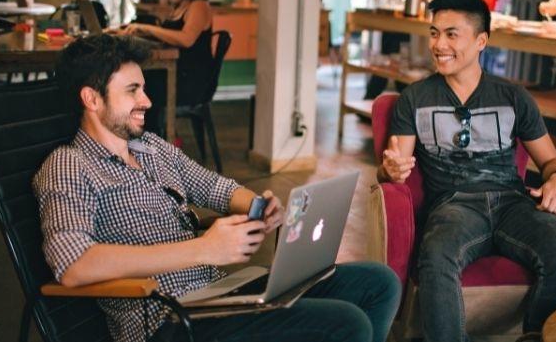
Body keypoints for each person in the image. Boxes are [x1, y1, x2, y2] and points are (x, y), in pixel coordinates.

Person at [33, 34, 401, 342]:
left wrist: (257, 205)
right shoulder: (69, 165)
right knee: (347, 324)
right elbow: (74, 265)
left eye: (143, 88)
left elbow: (215, 187)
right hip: (169, 321)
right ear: (92, 99)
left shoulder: (152, 148)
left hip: (217, 296)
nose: (147, 101)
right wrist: (203, 249)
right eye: (133, 90)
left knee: (378, 283)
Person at [379, 0, 556, 342]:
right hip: (454, 205)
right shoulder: (415, 98)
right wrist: (390, 172)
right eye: (434, 33)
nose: (438, 44)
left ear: (481, 41)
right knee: (437, 255)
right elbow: (394, 167)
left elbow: (551, 161)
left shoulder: (513, 97)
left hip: (513, 203)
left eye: (451, 34)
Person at [118, 0, 216, 135]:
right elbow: (170, 37)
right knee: (136, 83)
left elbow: (186, 39)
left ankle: (150, 142)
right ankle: (143, 139)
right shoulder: (179, 7)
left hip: (191, 81)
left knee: (140, 87)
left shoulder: (199, 6)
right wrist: (137, 31)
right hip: (178, 72)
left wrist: (146, 27)